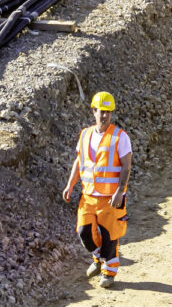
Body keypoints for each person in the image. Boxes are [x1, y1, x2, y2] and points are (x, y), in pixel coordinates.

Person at [62, 91, 132, 288]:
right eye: (101, 111)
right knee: (84, 232)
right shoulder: (85, 134)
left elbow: (126, 166)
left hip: (111, 197)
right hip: (89, 195)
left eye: (108, 112)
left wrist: (120, 191)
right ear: (93, 111)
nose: (105, 116)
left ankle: (108, 272)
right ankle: (98, 258)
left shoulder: (120, 137)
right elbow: (79, 161)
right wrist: (70, 184)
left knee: (110, 236)